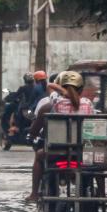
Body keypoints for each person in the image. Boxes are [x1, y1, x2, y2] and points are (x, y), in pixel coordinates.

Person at [24, 71, 94, 202]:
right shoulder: (88, 104)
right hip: (83, 153)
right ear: (81, 89)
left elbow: (49, 85)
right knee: (99, 167)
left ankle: (34, 194)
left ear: (61, 87)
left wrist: (63, 92)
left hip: (57, 152)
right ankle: (101, 194)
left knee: (39, 155)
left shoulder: (55, 103)